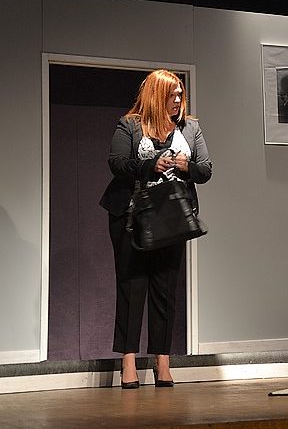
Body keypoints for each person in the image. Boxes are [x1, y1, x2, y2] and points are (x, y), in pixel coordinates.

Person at [99, 69, 212, 388]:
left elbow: (205, 170)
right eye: (171, 94)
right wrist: (151, 165)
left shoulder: (191, 127)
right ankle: (129, 362)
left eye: (180, 94)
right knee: (132, 286)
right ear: (155, 95)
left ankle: (162, 361)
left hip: (171, 216)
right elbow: (117, 163)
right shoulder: (130, 124)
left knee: (165, 289)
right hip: (131, 215)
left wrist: (186, 166)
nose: (177, 100)